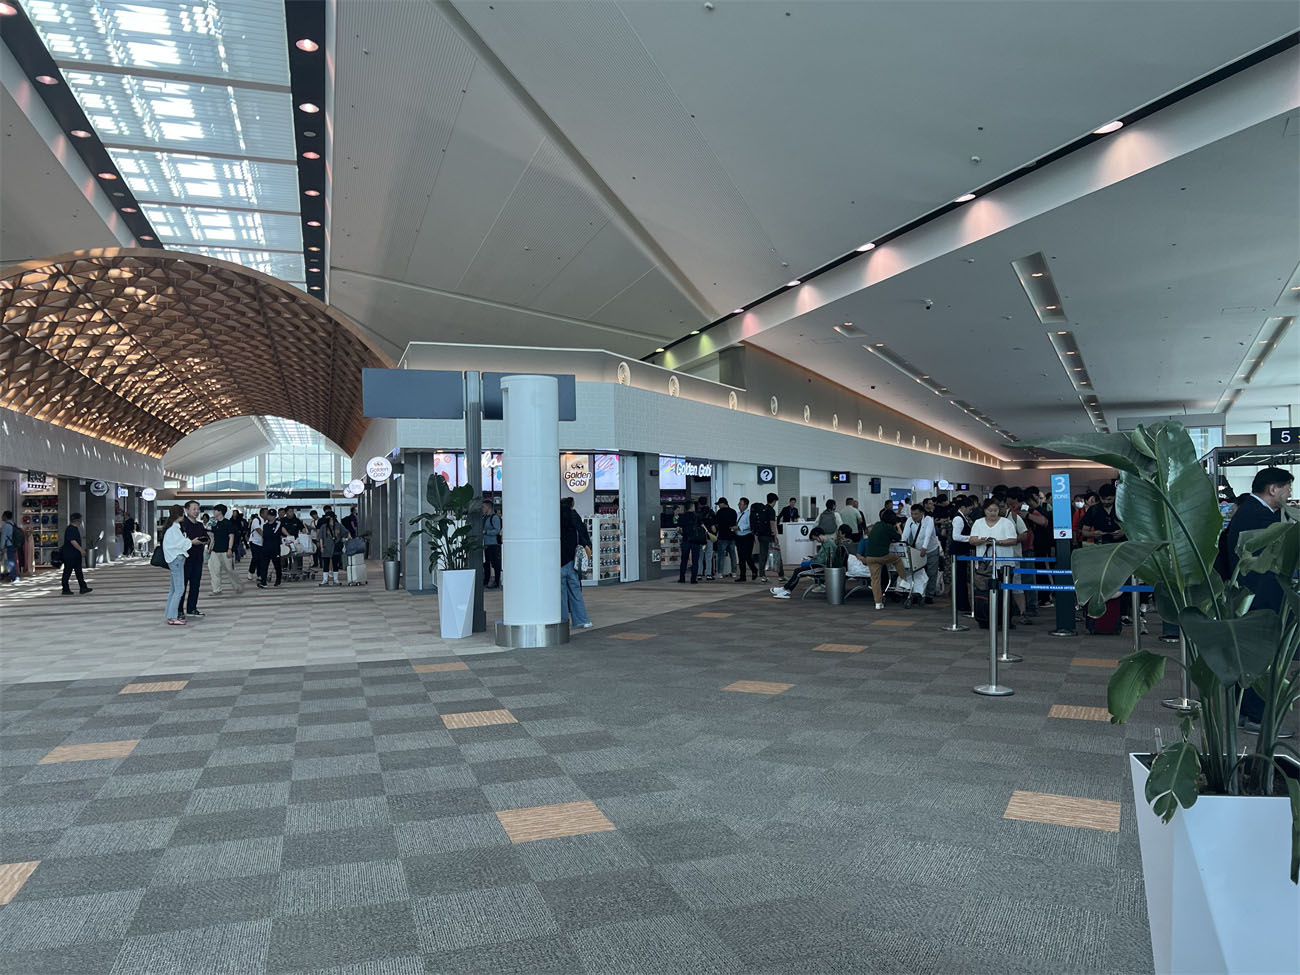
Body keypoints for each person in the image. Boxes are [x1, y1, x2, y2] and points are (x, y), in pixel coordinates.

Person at [1226, 467, 1294, 731]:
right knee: (1259, 659)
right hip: (1259, 600)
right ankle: (1256, 716)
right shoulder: (1259, 517)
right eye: (1287, 488)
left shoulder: (1252, 512)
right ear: (1273, 489)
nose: (1290, 494)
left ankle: (1246, 711)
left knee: (1249, 658)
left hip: (1251, 598)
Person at [968, 498, 1025, 619]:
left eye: (995, 510)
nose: (993, 513)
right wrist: (981, 540)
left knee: (1004, 593)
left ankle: (1005, 619)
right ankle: (986, 618)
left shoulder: (1006, 523)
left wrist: (997, 542)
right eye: (990, 510)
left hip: (1004, 564)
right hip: (985, 566)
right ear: (984, 510)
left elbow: (1013, 540)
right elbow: (972, 540)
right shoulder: (978, 523)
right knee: (985, 592)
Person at [770, 526, 835, 598]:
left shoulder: (828, 544)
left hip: (820, 567)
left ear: (819, 535)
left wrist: (811, 561)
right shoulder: (825, 543)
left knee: (798, 572)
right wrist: (813, 557)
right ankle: (785, 589)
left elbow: (825, 560)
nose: (817, 541)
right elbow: (822, 556)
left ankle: (787, 590)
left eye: (816, 538)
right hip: (818, 565)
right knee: (798, 571)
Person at [858, 509, 903, 610]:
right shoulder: (888, 527)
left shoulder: (877, 525)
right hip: (882, 556)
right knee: (897, 560)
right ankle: (904, 580)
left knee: (875, 580)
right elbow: (899, 537)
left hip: (869, 557)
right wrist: (898, 526)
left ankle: (878, 603)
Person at [560, 497, 592, 629]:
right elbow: (583, 537)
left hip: (558, 562)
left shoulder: (555, 520)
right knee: (575, 592)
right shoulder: (574, 519)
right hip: (572, 561)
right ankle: (582, 620)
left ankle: (562, 621)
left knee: (561, 594)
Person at [903, 503, 941, 604]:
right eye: (912, 514)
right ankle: (918, 593)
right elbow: (905, 534)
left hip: (931, 549)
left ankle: (929, 595)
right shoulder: (909, 521)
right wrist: (902, 544)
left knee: (931, 573)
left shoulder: (929, 520)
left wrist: (924, 547)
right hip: (917, 551)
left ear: (922, 513)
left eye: (916, 514)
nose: (914, 516)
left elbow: (928, 535)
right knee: (917, 572)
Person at [179, 500, 209, 616]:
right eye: (194, 509)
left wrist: (204, 540)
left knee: (195, 584)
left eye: (198, 509)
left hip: (197, 559)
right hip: (184, 560)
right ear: (187, 510)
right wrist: (191, 542)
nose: (196, 511)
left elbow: (206, 537)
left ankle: (192, 608)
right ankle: (179, 610)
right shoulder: (182, 525)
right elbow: (179, 542)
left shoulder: (200, 525)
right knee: (182, 585)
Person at [161, 505, 189, 626]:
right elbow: (183, 544)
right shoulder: (174, 529)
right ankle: (173, 617)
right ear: (180, 515)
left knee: (173, 590)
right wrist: (189, 541)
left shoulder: (170, 528)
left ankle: (170, 615)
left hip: (173, 560)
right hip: (177, 560)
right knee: (179, 589)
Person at [208, 504, 242, 596]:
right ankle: (216, 589)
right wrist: (210, 548)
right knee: (214, 570)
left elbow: (231, 536)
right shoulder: (214, 523)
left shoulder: (228, 523)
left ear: (220, 512)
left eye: (215, 510)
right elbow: (212, 538)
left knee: (230, 570)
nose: (213, 512)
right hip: (215, 551)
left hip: (225, 550)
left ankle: (237, 586)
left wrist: (230, 549)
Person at [949, 496, 977, 611]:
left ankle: (961, 603)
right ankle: (962, 603)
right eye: (970, 509)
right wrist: (971, 538)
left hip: (961, 551)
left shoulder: (962, 517)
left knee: (961, 578)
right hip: (958, 551)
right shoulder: (958, 518)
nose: (970, 511)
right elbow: (956, 536)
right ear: (963, 507)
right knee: (960, 579)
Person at [58, 512, 92, 595]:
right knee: (67, 571)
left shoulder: (74, 528)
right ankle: (65, 589)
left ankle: (83, 587)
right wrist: (81, 550)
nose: (80, 522)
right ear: (77, 520)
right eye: (80, 520)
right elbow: (73, 541)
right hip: (70, 554)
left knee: (78, 571)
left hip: (75, 554)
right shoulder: (71, 529)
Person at [752, 493, 779, 584]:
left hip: (761, 535)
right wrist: (775, 536)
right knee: (776, 555)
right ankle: (781, 575)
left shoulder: (762, 509)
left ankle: (762, 575)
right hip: (768, 536)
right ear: (774, 501)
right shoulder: (771, 510)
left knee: (762, 555)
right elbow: (772, 523)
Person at [677, 501, 704, 584]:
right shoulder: (697, 516)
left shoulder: (682, 516)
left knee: (684, 560)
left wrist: (683, 534)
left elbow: (679, 529)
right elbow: (702, 526)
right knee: (695, 560)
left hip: (686, 540)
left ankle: (682, 578)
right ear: (692, 507)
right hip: (695, 541)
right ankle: (693, 579)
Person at [316, 511, 344, 586]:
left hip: (336, 548)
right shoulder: (324, 527)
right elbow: (321, 537)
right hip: (326, 548)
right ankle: (325, 580)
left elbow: (345, 533)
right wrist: (321, 547)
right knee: (326, 564)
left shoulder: (338, 526)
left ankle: (336, 579)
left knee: (335, 564)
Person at [713, 498, 738, 579]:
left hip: (722, 536)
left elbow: (716, 523)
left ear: (723, 503)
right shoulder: (733, 512)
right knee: (732, 555)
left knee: (721, 555)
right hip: (732, 536)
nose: (719, 506)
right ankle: (734, 572)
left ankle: (720, 572)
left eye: (719, 504)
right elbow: (735, 523)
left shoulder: (719, 512)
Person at [259, 508, 283, 588]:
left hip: (275, 548)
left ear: (275, 516)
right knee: (264, 565)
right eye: (269, 515)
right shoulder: (265, 525)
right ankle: (263, 582)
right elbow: (264, 536)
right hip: (266, 548)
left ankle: (278, 579)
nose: (270, 517)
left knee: (277, 565)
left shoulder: (278, 524)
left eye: (272, 515)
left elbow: (278, 533)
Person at [481, 499, 502, 589]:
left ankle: (496, 582)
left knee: (495, 563)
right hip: (486, 544)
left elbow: (497, 530)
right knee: (486, 563)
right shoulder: (485, 518)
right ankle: (486, 580)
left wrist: (486, 532)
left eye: (483, 507)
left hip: (493, 544)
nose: (482, 509)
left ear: (488, 507)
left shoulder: (494, 518)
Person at [734, 497, 755, 582]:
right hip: (739, 537)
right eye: (739, 504)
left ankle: (754, 569)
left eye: (740, 504)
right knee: (741, 557)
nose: (739, 505)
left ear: (746, 505)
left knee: (747, 556)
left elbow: (749, 525)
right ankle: (743, 576)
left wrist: (739, 527)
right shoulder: (738, 513)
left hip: (747, 536)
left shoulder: (749, 514)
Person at [696, 496, 717, 580]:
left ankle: (699, 574)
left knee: (700, 557)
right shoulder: (711, 512)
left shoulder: (697, 513)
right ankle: (708, 574)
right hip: (709, 537)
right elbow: (714, 528)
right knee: (708, 556)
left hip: (699, 538)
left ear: (699, 503)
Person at [247, 507, 265, 582]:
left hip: (262, 543)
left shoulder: (266, 521)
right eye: (266, 513)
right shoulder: (256, 520)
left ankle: (259, 574)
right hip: (254, 542)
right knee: (255, 558)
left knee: (261, 559)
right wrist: (266, 536)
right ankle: (251, 572)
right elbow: (258, 529)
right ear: (262, 513)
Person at [1, 510, 16, 582]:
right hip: (13, 545)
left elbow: (3, 537)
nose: (1, 517)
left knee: (9, 561)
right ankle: (11, 575)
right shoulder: (13, 524)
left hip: (8, 545)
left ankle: (12, 576)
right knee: (11, 561)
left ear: (5, 516)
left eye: (3, 515)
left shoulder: (5, 526)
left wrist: (1, 547)